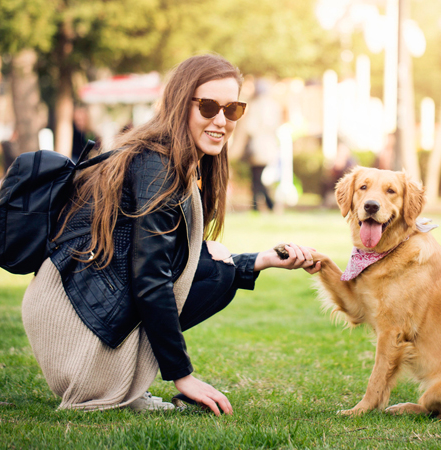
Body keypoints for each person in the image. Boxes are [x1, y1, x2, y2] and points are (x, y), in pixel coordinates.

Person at [21, 54, 320, 414]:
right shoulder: (158, 165)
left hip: (86, 306)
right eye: (208, 107)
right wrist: (182, 376)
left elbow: (159, 262)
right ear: (181, 104)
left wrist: (261, 261)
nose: (221, 120)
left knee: (219, 268)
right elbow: (150, 278)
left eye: (233, 109)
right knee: (213, 268)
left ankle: (126, 378)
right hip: (72, 322)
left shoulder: (181, 160)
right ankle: (115, 381)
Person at [243, 79, 281, 212]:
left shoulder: (256, 105)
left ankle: (266, 205)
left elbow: (250, 127)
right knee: (259, 178)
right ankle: (262, 205)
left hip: (257, 147)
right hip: (269, 146)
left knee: (256, 178)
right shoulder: (274, 105)